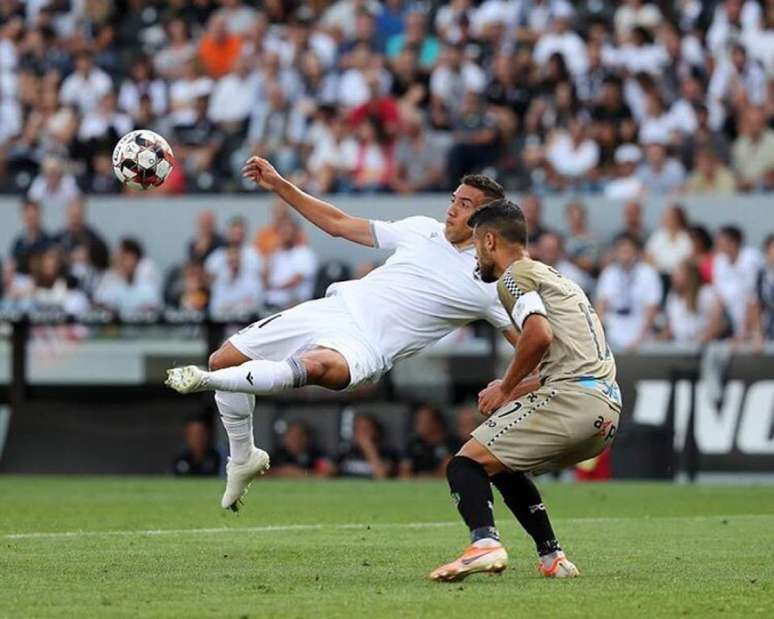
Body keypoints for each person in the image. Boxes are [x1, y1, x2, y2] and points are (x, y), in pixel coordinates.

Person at [165, 160, 517, 512]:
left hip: (368, 345)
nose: (452, 208)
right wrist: (279, 183)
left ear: (486, 219)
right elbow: (338, 224)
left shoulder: (491, 280)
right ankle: (243, 457)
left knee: (315, 366)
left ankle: (209, 381)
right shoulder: (422, 229)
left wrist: (510, 385)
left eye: (465, 204)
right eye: (454, 199)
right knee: (223, 359)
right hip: (333, 309)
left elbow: (531, 341)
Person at [429, 200, 620, 582]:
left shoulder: (514, 278)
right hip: (605, 407)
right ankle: (553, 557)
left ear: (489, 241)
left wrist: (506, 388)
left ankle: (484, 544)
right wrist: (516, 388)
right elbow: (568, 360)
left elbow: (537, 334)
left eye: (473, 247)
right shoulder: (559, 280)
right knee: (500, 462)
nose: (474, 257)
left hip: (574, 401)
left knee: (464, 464)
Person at [596, 234, 662, 351]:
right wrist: (600, 337)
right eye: (621, 251)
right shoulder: (609, 273)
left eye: (628, 251)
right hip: (613, 328)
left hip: (639, 326)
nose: (624, 255)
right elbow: (600, 306)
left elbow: (652, 308)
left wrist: (640, 339)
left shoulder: (648, 273)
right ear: (615, 253)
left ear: (636, 252)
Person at [664, 261, 725, 344]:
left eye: (678, 274)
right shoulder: (672, 297)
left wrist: (702, 339)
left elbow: (718, 323)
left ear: (689, 275)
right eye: (674, 275)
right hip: (681, 346)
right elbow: (673, 327)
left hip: (705, 346)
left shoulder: (706, 293)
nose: (673, 278)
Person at [400, 403, 457, 478]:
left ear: (436, 422)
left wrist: (425, 477)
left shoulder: (452, 443)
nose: (418, 424)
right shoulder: (413, 444)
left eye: (424, 421)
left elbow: (448, 472)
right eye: (418, 420)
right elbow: (404, 473)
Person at [336, 415, 399, 479]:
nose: (360, 432)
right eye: (357, 429)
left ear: (376, 431)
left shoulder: (388, 453)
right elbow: (328, 476)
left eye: (365, 429)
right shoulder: (346, 452)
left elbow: (382, 476)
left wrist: (368, 447)